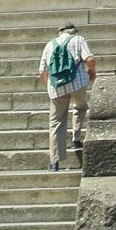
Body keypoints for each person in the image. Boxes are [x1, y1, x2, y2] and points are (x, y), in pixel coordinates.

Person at [37, 21, 95, 171]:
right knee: (80, 107)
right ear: (73, 31)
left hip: (56, 87)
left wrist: (49, 86)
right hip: (78, 83)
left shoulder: (49, 45)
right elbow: (89, 59)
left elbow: (42, 71)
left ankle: (54, 162)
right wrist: (91, 72)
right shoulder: (78, 40)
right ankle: (76, 138)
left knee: (56, 122)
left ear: (59, 32)